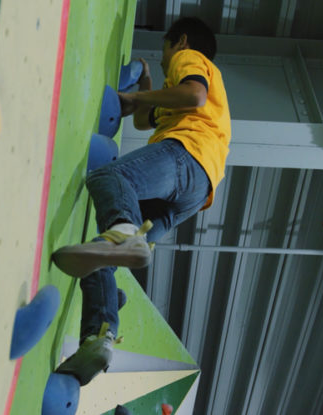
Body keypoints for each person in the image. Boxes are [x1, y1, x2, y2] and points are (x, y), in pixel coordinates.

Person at [52, 16, 231, 385]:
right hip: (195, 192)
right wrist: (145, 88)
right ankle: (98, 338)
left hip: (188, 154)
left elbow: (193, 95)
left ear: (179, 41)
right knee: (101, 253)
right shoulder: (170, 88)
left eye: (165, 49)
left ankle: (125, 234)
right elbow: (145, 120)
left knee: (110, 177)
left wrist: (138, 94)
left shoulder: (190, 59)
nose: (165, 59)